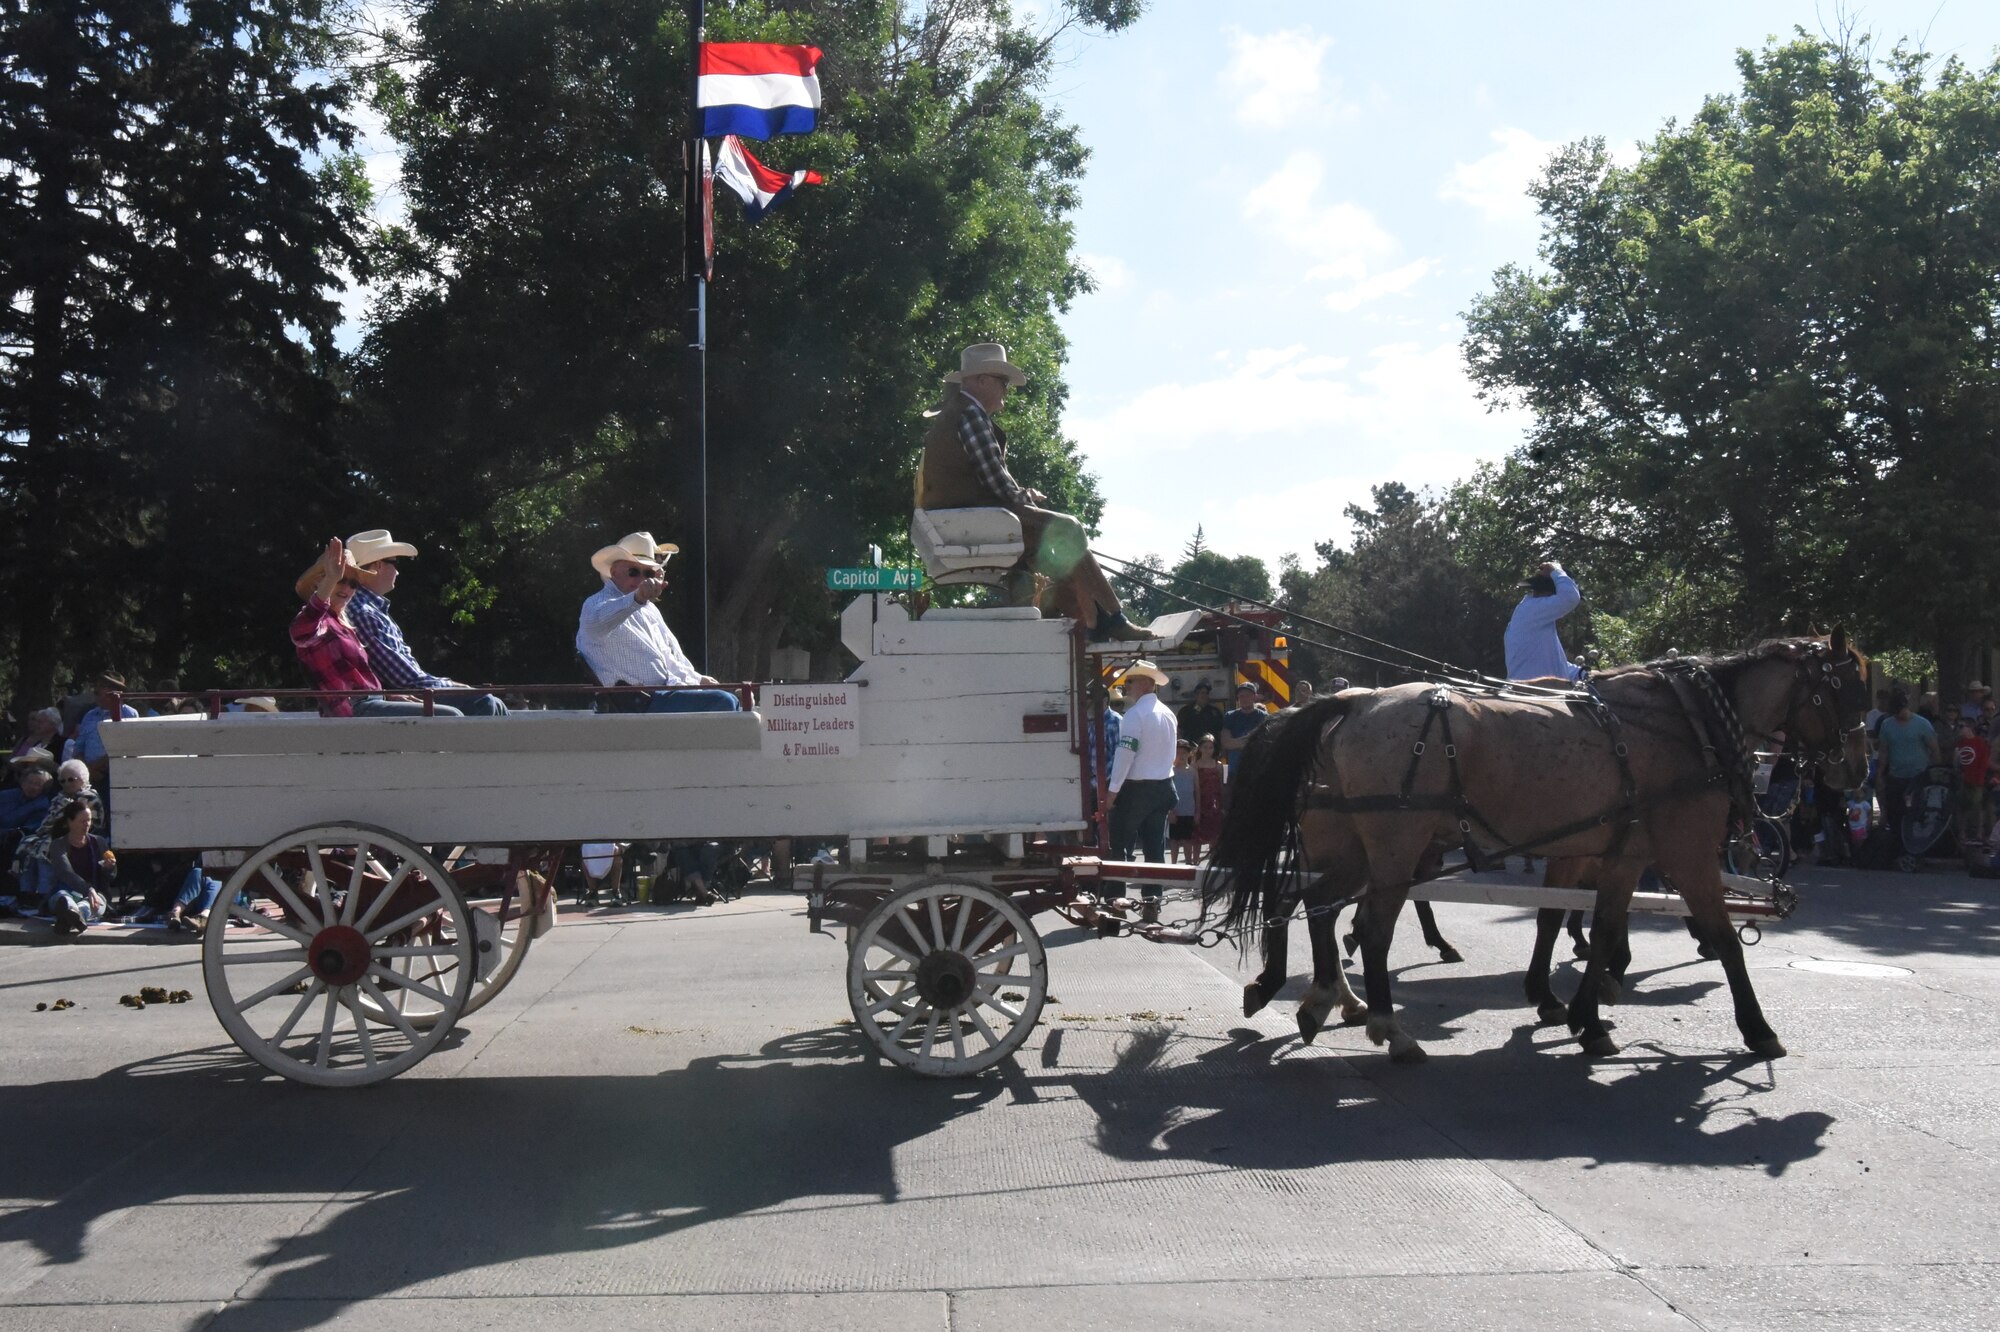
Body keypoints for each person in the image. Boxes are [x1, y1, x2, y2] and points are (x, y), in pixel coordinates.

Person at [915, 343, 1146, 640]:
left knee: (1047, 548)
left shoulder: (959, 414)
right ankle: (1112, 618)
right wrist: (1025, 498)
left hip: (962, 517)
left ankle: (1091, 621)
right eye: (1002, 381)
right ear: (980, 380)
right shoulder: (970, 415)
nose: (1006, 390)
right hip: (969, 519)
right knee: (1068, 528)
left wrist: (1023, 498)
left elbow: (984, 480)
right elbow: (999, 485)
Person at [300, 530, 509, 718]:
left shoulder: (347, 620)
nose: (347, 589)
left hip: (369, 703)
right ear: (379, 565)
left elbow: (365, 680)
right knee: (480, 705)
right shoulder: (347, 615)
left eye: (353, 582)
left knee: (481, 705)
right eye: (395, 563)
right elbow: (405, 679)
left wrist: (388, 696)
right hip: (356, 710)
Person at [576, 532, 742, 713]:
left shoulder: (649, 610)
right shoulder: (595, 604)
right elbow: (603, 617)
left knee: (733, 701)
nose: (641, 579)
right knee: (722, 702)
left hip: (658, 697)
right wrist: (637, 598)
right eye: (633, 572)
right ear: (614, 572)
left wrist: (698, 679)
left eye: (648, 573)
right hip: (637, 703)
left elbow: (667, 657)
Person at [1106, 660, 1179, 920]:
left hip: (1137, 789)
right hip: (1162, 786)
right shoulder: (1168, 714)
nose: (1126, 686)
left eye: (1130, 681)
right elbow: (1169, 756)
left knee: (1120, 845)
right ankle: (1151, 901)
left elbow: (1125, 755)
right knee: (1154, 847)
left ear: (1146, 684)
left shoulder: (1135, 715)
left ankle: (1116, 901)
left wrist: (1112, 793)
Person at [1873, 690, 1940, 859]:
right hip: (1896, 776)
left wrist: (1934, 771)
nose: (1898, 715)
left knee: (1916, 813)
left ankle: (1918, 849)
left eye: (1899, 711)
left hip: (1918, 776)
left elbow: (1934, 749)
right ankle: (1898, 847)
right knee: (1895, 813)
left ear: (1906, 707)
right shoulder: (1887, 725)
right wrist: (1880, 775)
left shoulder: (1922, 724)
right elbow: (1884, 752)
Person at [1504, 559, 1583, 683]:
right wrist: (1556, 571)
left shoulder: (1530, 612)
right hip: (1536, 692)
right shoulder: (1533, 609)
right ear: (1553, 592)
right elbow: (1570, 597)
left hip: (1535, 689)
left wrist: (1579, 673)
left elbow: (1553, 664)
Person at [44, 800, 112, 937]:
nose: (87, 824)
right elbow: (66, 872)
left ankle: (73, 916)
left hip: (94, 896)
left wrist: (110, 868)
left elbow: (110, 878)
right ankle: (70, 911)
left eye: (89, 820)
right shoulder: (58, 845)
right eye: (82, 821)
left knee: (94, 903)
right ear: (69, 822)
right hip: (66, 891)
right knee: (63, 897)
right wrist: (88, 889)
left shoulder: (99, 842)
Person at [69, 672, 137, 798]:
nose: (97, 690)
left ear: (116, 691)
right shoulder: (89, 715)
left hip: (115, 776)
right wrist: (87, 769)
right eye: (97, 686)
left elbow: (127, 748)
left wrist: (97, 767)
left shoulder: (129, 714)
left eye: (103, 686)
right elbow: (79, 747)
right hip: (88, 777)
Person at [1955, 719, 1991, 844]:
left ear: (1969, 728)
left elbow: (1984, 763)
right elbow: (1957, 763)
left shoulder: (1980, 743)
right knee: (1962, 807)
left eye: (1961, 727)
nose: (1959, 729)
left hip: (1977, 781)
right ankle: (1962, 833)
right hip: (1963, 781)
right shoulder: (1960, 744)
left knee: (1977, 806)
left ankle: (1979, 833)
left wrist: (1979, 779)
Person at [1220, 683, 1267, 772]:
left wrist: (1237, 743)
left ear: (1254, 697)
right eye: (1241, 696)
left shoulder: (1263, 717)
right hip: (1235, 769)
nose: (1244, 699)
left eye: (1247, 695)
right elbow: (1226, 743)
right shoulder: (1230, 716)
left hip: (1257, 770)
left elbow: (1264, 743)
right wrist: (1252, 741)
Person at [1169, 739, 1197, 862]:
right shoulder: (1170, 771)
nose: (1181, 755)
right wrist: (1170, 811)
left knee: (1187, 840)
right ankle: (1173, 866)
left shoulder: (1192, 771)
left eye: (1184, 752)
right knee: (1174, 840)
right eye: (1178, 752)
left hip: (1189, 811)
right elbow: (1167, 792)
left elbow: (1197, 793)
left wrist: (1197, 812)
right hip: (1175, 811)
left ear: (1189, 754)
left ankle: (1188, 863)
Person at [1175, 682, 1224, 748]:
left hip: (1211, 750)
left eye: (1206, 693)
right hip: (1191, 750)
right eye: (1201, 693)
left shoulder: (1215, 712)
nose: (1204, 695)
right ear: (1196, 695)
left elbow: (1220, 733)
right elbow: (1179, 731)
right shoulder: (1186, 711)